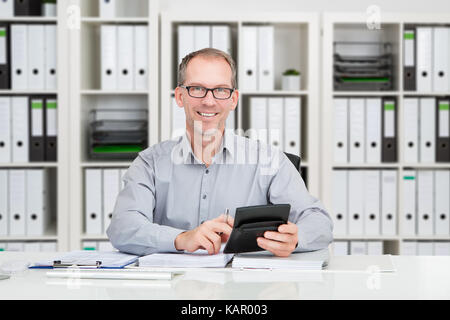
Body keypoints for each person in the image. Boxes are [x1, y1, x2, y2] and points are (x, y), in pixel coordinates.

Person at [107, 48, 333, 257]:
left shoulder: (269, 161)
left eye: (221, 90)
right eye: (197, 89)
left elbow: (319, 222)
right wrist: (181, 239)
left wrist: (295, 239)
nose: (208, 101)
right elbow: (122, 226)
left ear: (233, 99)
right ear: (179, 96)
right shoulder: (150, 163)